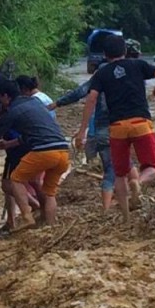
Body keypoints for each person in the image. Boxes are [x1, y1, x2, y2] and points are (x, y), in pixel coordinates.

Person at [75, 35, 155, 220]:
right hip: (140, 124)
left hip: (117, 128)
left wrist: (82, 131)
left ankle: (126, 217)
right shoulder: (139, 65)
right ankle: (138, 182)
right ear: (125, 51)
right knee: (151, 167)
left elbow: (91, 99)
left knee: (119, 174)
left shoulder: (101, 74)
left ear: (105, 54)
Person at [0, 80, 70, 229]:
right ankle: (49, 226)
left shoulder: (13, 111)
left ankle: (27, 217)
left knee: (15, 179)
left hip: (44, 152)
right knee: (49, 193)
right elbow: (32, 134)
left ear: (5, 96)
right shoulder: (35, 103)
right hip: (62, 151)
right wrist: (9, 144)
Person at [55, 60, 138, 211]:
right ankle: (134, 193)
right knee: (125, 163)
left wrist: (57, 103)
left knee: (110, 169)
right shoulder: (125, 81)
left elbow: (80, 93)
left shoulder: (100, 79)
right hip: (122, 127)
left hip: (102, 131)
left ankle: (108, 208)